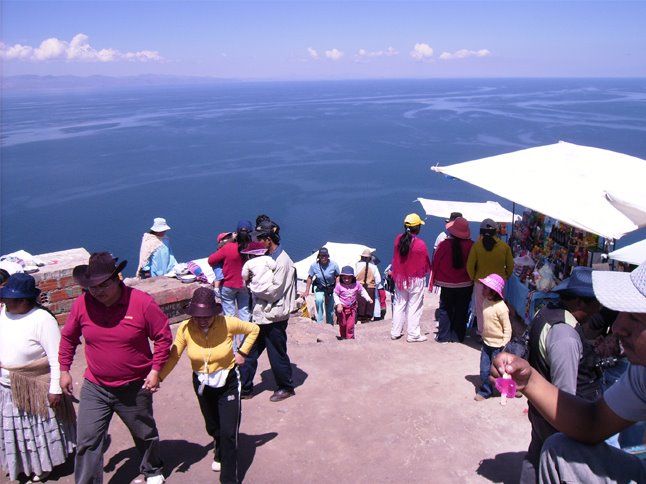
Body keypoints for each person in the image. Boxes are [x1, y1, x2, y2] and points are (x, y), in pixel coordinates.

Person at [492, 260, 646, 483]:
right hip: (549, 423)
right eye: (623, 313)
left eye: (635, 317)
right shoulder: (640, 371)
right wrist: (529, 381)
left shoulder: (556, 323)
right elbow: (591, 421)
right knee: (557, 448)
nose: (619, 326)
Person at [59, 252, 171, 484]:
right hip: (95, 386)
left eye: (103, 284)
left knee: (143, 433)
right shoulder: (82, 304)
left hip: (134, 385)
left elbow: (162, 337)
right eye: (92, 286)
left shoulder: (141, 302)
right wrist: (63, 369)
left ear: (117, 279)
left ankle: (152, 468)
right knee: (87, 440)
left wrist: (155, 370)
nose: (98, 291)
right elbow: (69, 338)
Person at [159, 287, 259, 483]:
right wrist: (159, 377)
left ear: (215, 312)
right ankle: (218, 447)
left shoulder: (227, 323)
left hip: (228, 382)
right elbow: (174, 356)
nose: (202, 319)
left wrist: (243, 352)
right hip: (202, 382)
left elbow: (254, 329)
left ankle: (229, 478)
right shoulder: (185, 328)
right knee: (213, 426)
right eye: (198, 315)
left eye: (207, 315)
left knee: (229, 433)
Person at [518, 266, 603, 482]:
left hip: (539, 410)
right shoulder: (566, 335)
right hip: (554, 418)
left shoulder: (546, 312)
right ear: (580, 303)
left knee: (536, 455)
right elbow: (565, 396)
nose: (599, 308)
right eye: (596, 302)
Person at [0, 274, 76, 482]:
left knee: (37, 431)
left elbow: (56, 358)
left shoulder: (42, 320)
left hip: (35, 387)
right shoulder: (3, 314)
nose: (4, 301)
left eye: (8, 298)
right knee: (19, 432)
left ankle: (43, 466)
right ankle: (24, 464)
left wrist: (55, 389)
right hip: (8, 387)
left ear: (23, 300)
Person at [240, 220, 297, 402]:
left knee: (276, 353)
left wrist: (252, 287)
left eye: (261, 239)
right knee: (248, 352)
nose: (259, 243)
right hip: (260, 315)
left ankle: (286, 387)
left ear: (269, 240)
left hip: (274, 316)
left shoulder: (283, 262)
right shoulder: (267, 259)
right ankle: (245, 388)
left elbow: (274, 292)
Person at [466, 218, 514, 336]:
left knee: (481, 308)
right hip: (498, 284)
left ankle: (482, 332)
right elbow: (510, 266)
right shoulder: (504, 247)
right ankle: (494, 332)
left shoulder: (477, 247)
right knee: (496, 308)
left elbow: (470, 266)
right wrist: (505, 277)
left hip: (480, 283)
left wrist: (474, 278)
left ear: (481, 232)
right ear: (496, 231)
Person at [431, 216, 474, 343]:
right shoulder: (471, 246)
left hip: (446, 284)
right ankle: (458, 336)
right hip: (466, 284)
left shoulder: (443, 244)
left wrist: (435, 279)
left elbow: (436, 261)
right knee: (461, 309)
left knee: (445, 310)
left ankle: (443, 336)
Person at [390, 213, 432, 343]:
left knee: (399, 304)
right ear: (417, 228)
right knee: (414, 306)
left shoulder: (398, 239)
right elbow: (425, 263)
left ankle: (395, 332)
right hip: (415, 280)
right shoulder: (420, 244)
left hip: (400, 278)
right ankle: (413, 334)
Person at [474, 274, 511, 401]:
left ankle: (509, 388)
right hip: (486, 343)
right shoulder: (485, 302)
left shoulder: (501, 308)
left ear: (493, 291)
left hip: (498, 346)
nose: (482, 290)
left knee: (501, 371)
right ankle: (486, 391)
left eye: (485, 288)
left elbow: (507, 328)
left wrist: (504, 345)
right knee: (485, 370)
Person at [208, 221, 253, 323]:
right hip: (244, 285)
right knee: (245, 314)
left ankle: (231, 339)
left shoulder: (228, 247)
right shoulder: (252, 248)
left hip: (228, 285)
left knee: (229, 317)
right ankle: (245, 339)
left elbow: (211, 260)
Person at [302, 247, 340, 325]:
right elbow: (310, 277)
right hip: (319, 286)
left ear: (328, 256)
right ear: (319, 256)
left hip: (330, 287)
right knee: (319, 301)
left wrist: (337, 288)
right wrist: (307, 291)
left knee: (330, 307)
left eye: (325, 256)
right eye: (322, 256)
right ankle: (319, 323)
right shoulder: (314, 266)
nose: (323, 257)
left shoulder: (334, 265)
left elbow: (337, 276)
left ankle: (330, 324)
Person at [333, 266, 373, 340]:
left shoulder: (356, 284)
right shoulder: (339, 286)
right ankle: (343, 336)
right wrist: (338, 304)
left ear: (353, 277)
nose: (347, 280)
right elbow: (335, 294)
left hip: (352, 308)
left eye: (349, 278)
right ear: (341, 277)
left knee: (350, 324)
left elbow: (362, 291)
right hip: (342, 308)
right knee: (343, 323)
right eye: (344, 278)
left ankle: (350, 338)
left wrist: (368, 298)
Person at [241, 241, 278, 307]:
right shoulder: (267, 259)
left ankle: (256, 306)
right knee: (272, 296)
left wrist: (248, 277)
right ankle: (270, 303)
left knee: (256, 301)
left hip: (255, 289)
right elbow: (274, 266)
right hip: (268, 286)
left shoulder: (248, 263)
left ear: (251, 254)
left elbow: (244, 276)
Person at [355, 249, 381, 322]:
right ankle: (367, 318)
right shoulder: (374, 267)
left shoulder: (357, 265)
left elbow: (353, 276)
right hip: (370, 288)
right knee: (369, 305)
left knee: (358, 304)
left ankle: (357, 318)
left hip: (359, 287)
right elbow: (378, 280)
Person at [212, 231, 235, 297]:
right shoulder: (221, 248)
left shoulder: (232, 246)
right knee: (219, 273)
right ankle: (216, 288)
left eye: (229, 237)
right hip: (219, 264)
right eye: (226, 238)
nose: (228, 239)